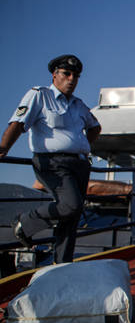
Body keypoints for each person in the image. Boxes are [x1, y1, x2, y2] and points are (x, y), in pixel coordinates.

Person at [0, 54, 101, 264]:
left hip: (80, 164)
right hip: (53, 163)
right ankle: (25, 223)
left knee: (72, 218)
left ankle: (62, 263)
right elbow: (18, 123)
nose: (71, 79)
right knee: (70, 205)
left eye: (76, 75)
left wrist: (82, 145)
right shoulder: (39, 95)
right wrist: (3, 148)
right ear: (55, 75)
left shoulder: (78, 104)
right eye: (66, 74)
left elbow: (95, 126)